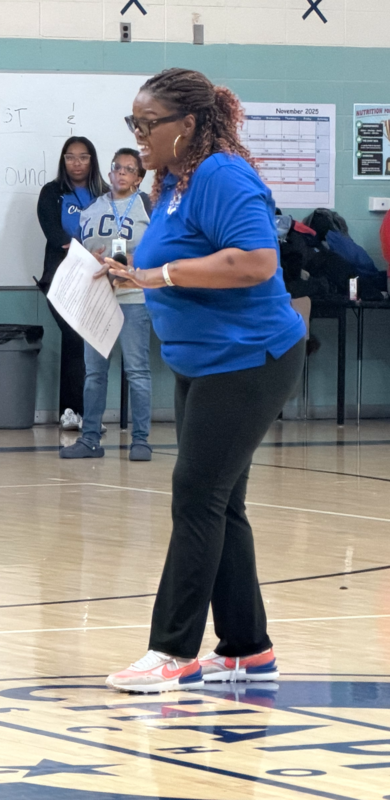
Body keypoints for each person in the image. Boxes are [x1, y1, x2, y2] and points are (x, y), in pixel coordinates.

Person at [104, 68, 306, 694]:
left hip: (249, 360)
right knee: (223, 503)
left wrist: (160, 276)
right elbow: (174, 261)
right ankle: (247, 649)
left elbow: (253, 262)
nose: (139, 137)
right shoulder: (171, 183)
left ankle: (173, 651)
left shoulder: (221, 173)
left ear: (187, 125)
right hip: (202, 361)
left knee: (195, 495)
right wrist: (130, 274)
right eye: (133, 124)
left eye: (148, 124)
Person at [60, 148, 153, 461]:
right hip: (98, 298)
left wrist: (131, 261)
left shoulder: (146, 208)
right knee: (94, 373)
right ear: (110, 173)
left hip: (133, 297)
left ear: (139, 178)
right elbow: (80, 251)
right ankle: (90, 439)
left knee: (138, 371)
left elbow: (160, 251)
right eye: (117, 168)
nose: (122, 173)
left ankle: (140, 440)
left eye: (129, 169)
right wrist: (92, 259)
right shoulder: (91, 210)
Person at [37, 137, 109, 430]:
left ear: (92, 160)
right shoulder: (52, 193)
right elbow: (56, 236)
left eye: (83, 157)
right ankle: (71, 411)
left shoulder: (106, 194)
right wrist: (86, 250)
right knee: (74, 336)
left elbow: (114, 234)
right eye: (70, 157)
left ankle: (87, 415)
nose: (76, 163)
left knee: (90, 343)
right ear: (63, 160)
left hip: (97, 279)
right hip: (60, 279)